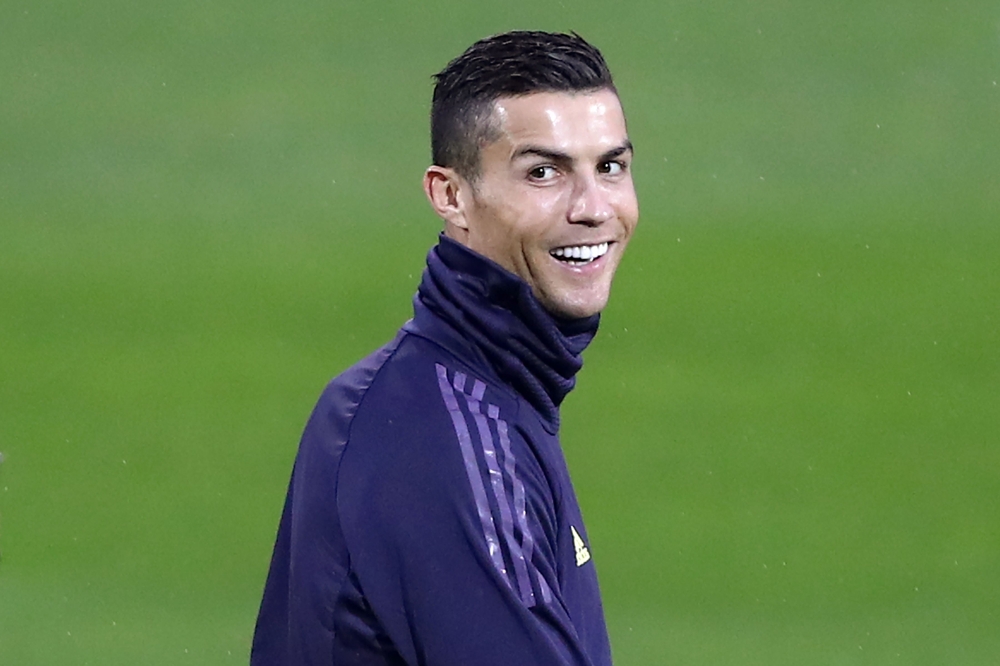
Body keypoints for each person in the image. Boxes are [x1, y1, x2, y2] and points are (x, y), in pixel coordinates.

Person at [251, 30, 639, 665]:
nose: (594, 208)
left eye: (610, 167)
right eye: (543, 172)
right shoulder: (457, 445)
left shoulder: (427, 393)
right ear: (451, 195)